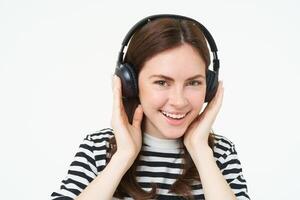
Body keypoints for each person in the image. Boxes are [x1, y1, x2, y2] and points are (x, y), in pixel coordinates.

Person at [51, 14, 250, 200]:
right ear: (131, 84)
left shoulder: (220, 154)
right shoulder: (98, 148)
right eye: (162, 82)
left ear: (210, 87)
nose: (179, 101)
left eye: (193, 82)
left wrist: (200, 149)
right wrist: (123, 156)